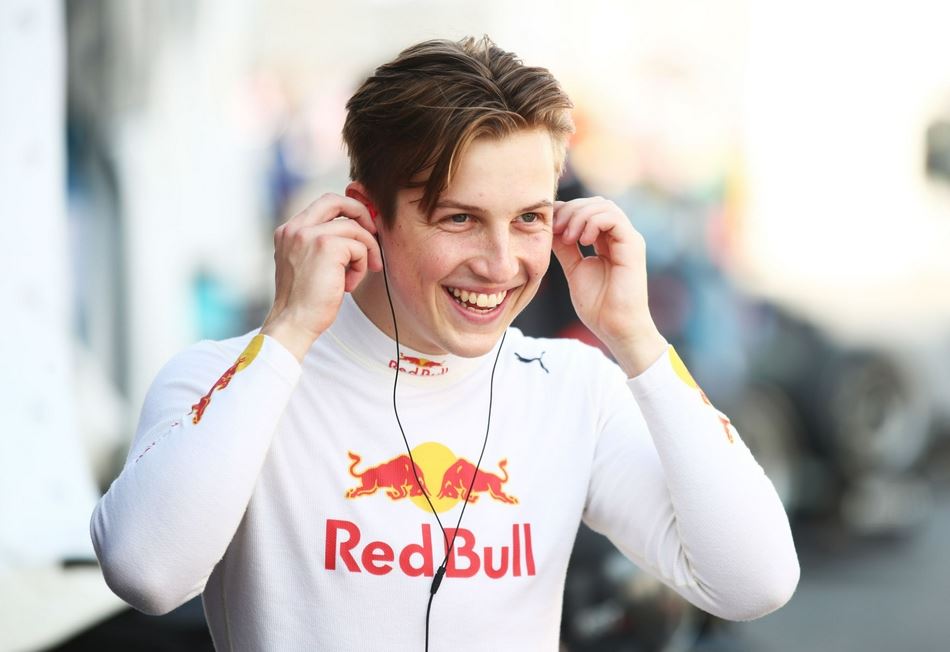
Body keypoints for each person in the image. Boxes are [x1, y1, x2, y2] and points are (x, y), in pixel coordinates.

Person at [91, 36, 799, 651]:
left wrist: (636, 337)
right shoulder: (231, 378)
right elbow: (148, 573)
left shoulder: (575, 387)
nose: (500, 264)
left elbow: (756, 580)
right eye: (459, 219)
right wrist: (287, 332)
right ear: (365, 216)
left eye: (529, 218)